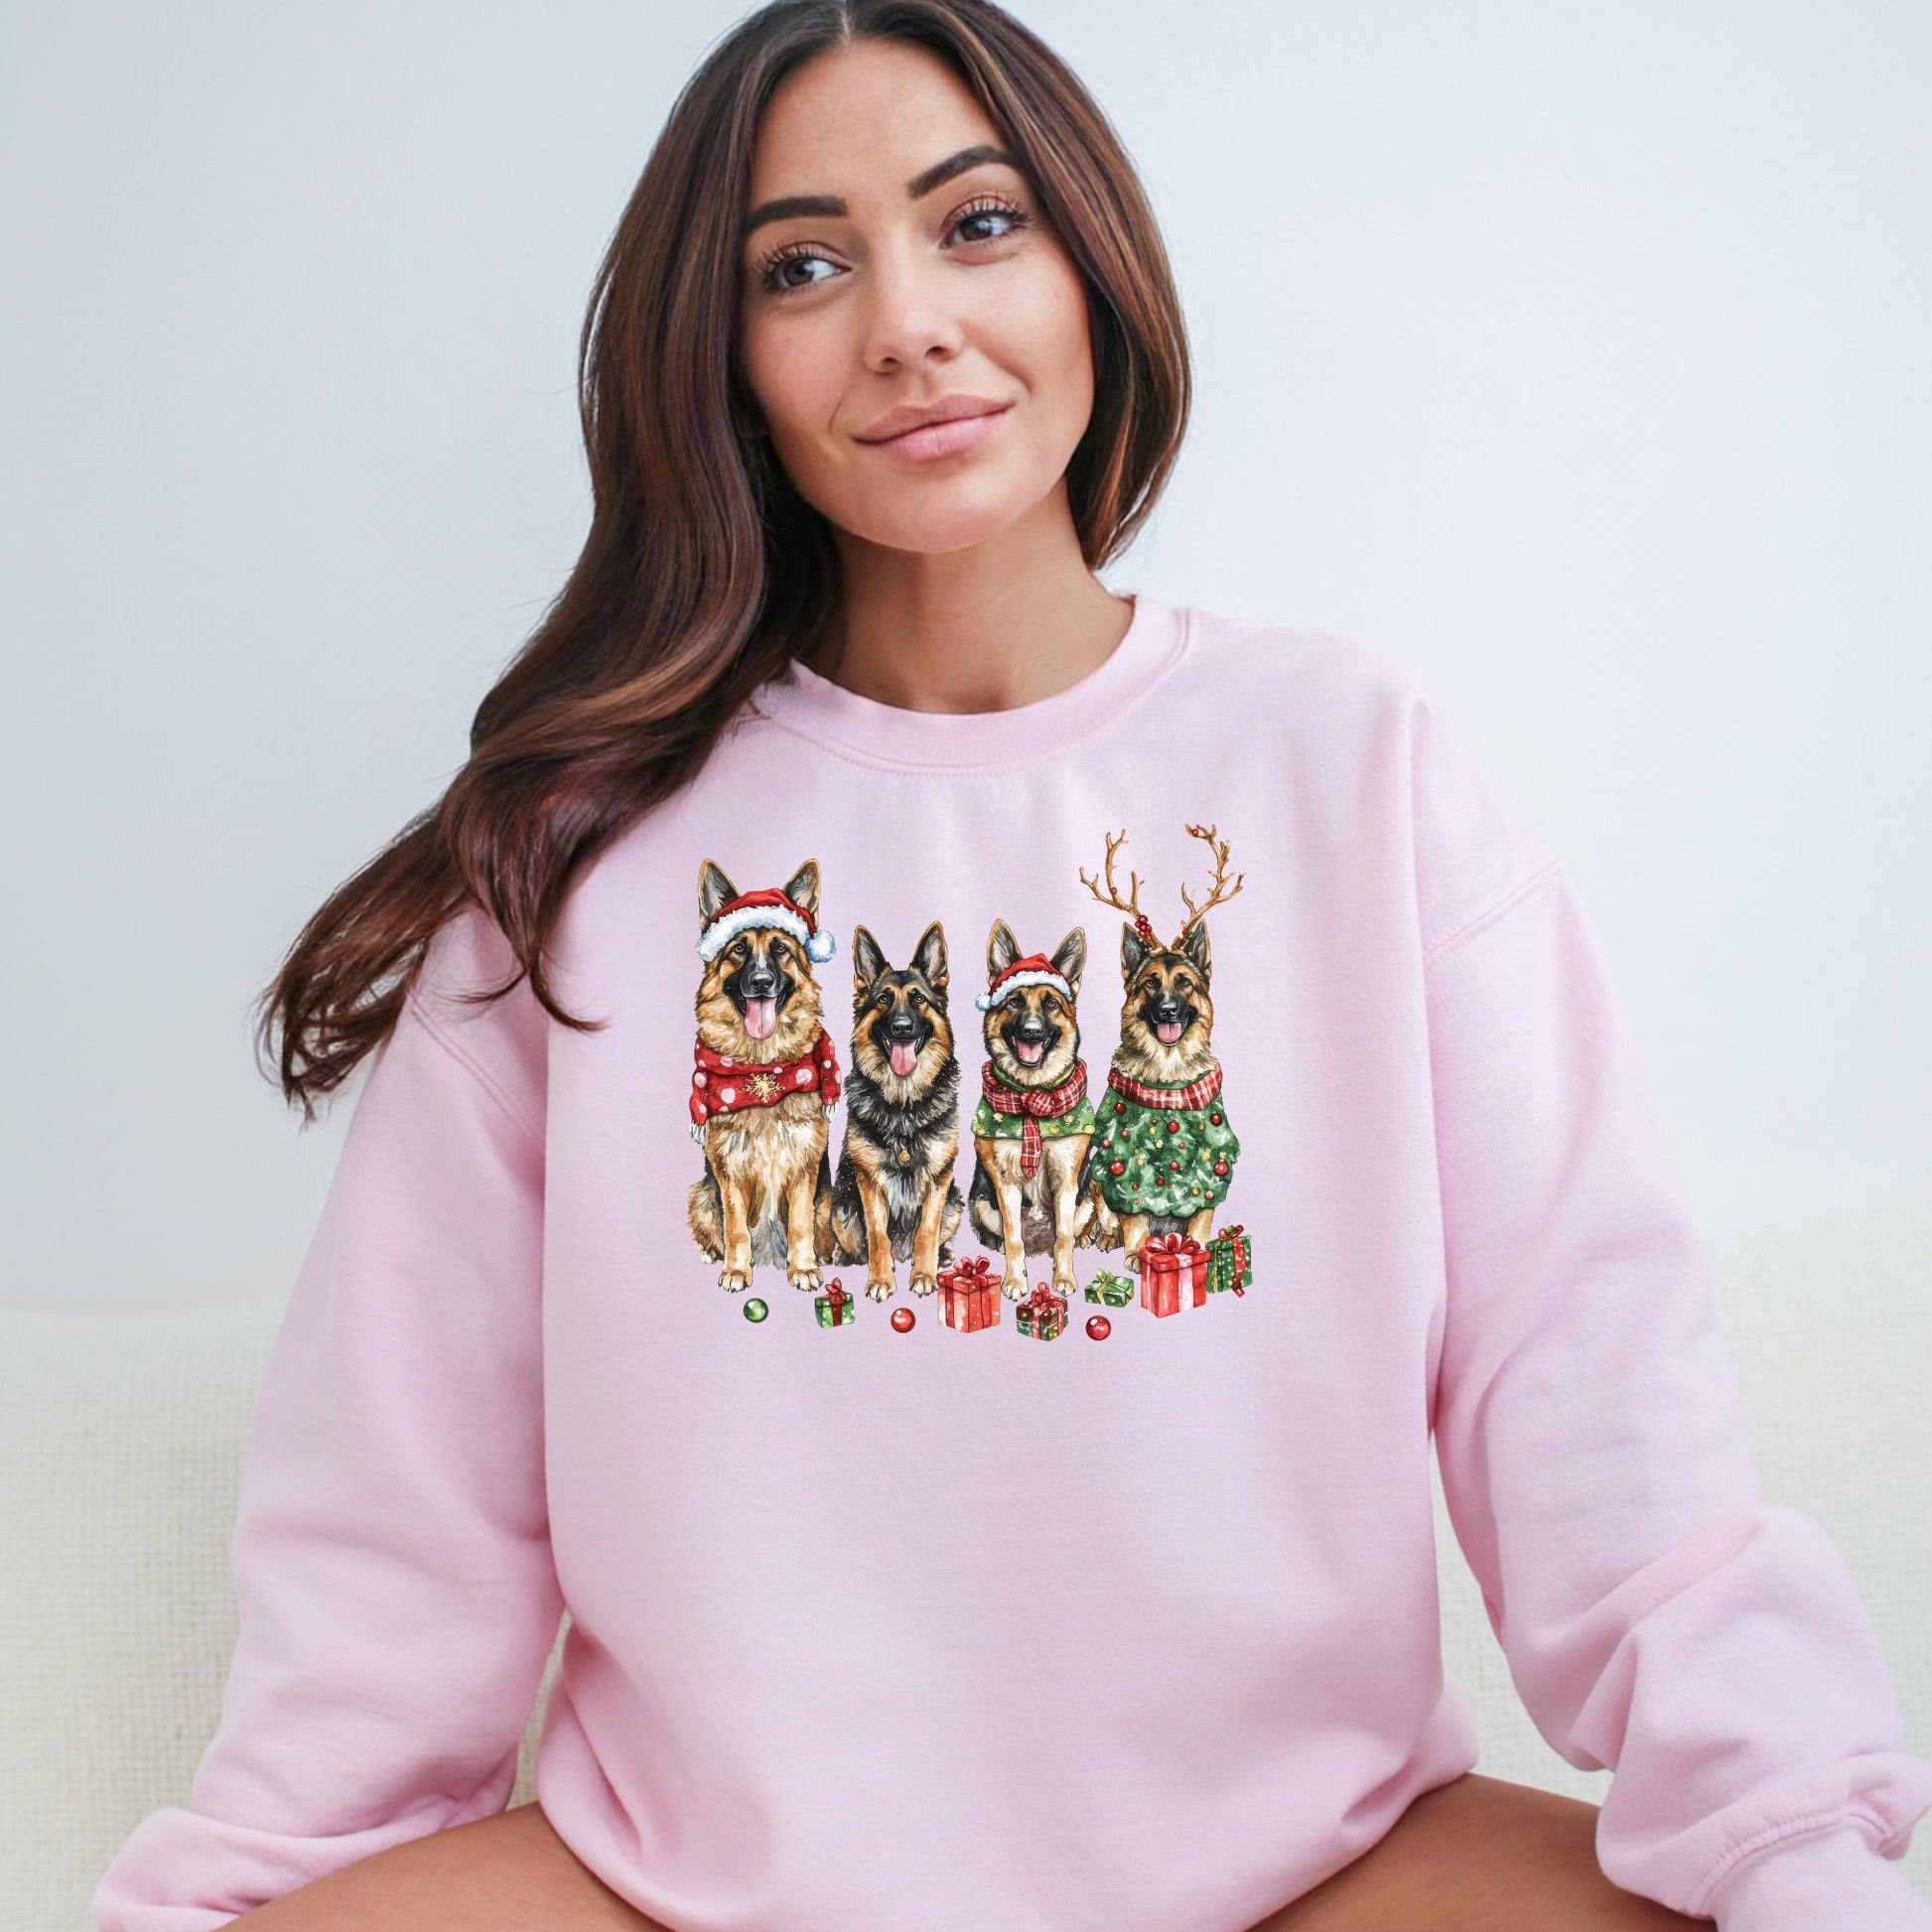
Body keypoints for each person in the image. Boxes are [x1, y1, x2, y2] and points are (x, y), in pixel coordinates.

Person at [92, 2, 1932, 1928]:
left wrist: (1792, 1840)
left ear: (1089, 265)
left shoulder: (1351, 764)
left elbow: (1600, 1404)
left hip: (1313, 1876)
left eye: (975, 224)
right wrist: (259, 1878)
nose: (905, 322)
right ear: (720, 358)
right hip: (682, 1896)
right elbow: (394, 1531)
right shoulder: (574, 864)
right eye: (801, 267)